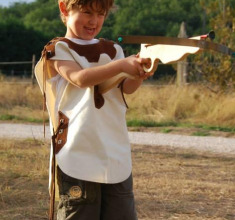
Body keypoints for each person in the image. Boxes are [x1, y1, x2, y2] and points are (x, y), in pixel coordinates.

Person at [35, 0, 157, 219]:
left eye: (101, 14)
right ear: (64, 9)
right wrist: (121, 65)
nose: (94, 20)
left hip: (113, 149)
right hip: (77, 150)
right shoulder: (59, 48)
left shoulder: (113, 50)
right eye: (86, 12)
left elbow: (126, 89)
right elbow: (80, 79)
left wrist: (140, 72)